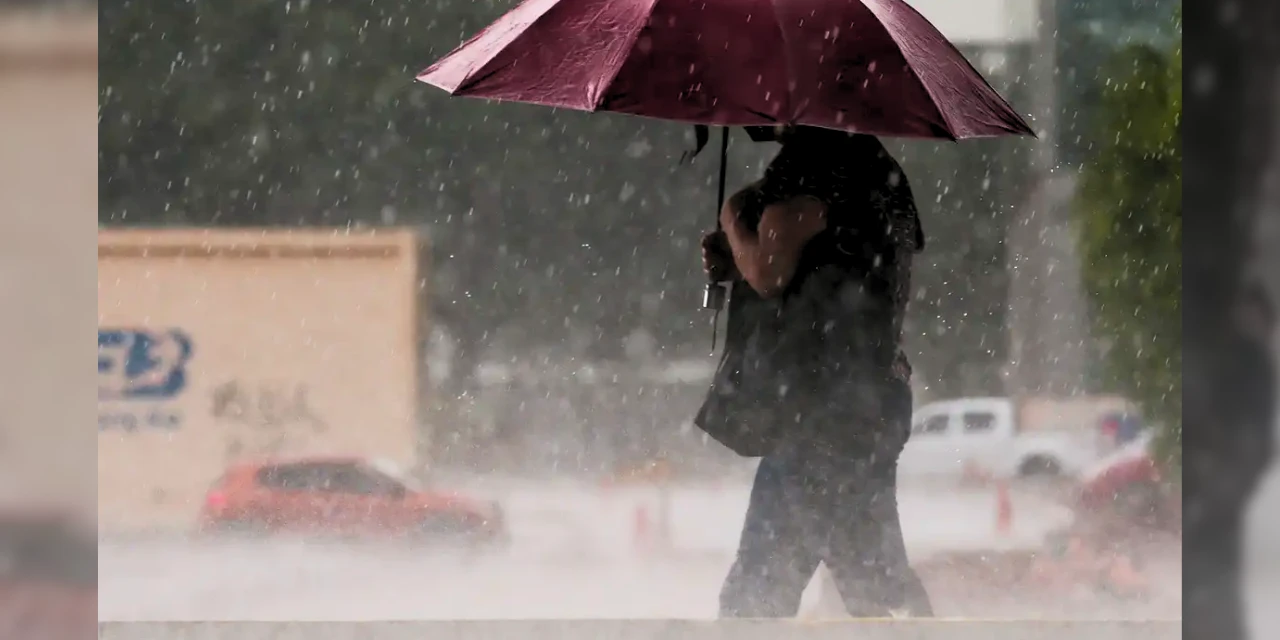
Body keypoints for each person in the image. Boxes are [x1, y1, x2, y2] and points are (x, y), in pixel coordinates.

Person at [697, 125, 933, 618]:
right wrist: (738, 257)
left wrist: (735, 219)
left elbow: (769, 272)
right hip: (865, 399)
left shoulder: (811, 166)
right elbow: (829, 271)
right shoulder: (875, 169)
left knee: (762, 594)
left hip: (820, 410)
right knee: (869, 582)